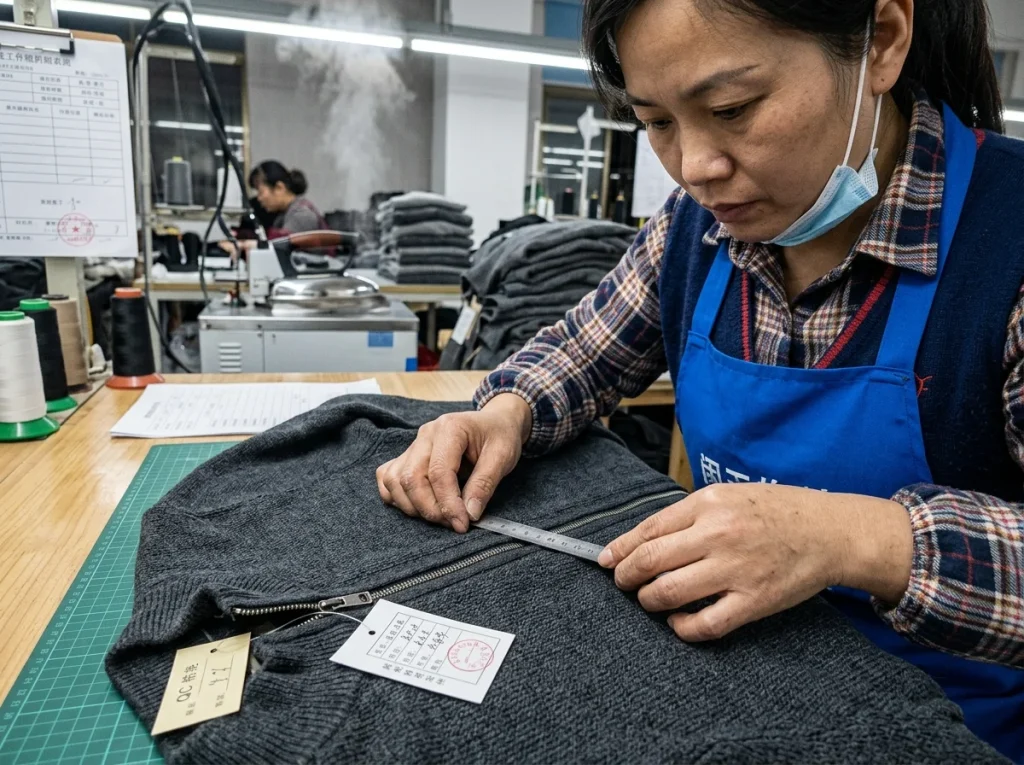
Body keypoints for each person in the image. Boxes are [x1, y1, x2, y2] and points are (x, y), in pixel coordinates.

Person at [375, 0, 1023, 758]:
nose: (695, 167)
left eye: (732, 108)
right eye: (656, 122)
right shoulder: (696, 230)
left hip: (953, 733)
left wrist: (851, 538)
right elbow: (581, 350)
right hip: (744, 707)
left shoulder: (1006, 247)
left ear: (881, 42)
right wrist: (504, 413)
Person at [220, 160, 329, 256]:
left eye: (261, 191)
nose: (259, 198)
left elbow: (279, 248)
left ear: (279, 188)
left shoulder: (302, 214)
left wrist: (242, 245)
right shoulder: (284, 214)